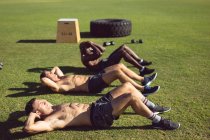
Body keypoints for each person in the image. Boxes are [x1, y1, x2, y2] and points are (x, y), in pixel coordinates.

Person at [24, 82, 180, 134]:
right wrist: (31, 115)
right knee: (131, 98)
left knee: (127, 86)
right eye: (41, 104)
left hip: (96, 106)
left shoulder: (54, 107)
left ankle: (152, 106)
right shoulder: (51, 120)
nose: (45, 101)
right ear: (38, 112)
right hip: (97, 117)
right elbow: (29, 128)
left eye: (43, 100)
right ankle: (157, 120)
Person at [40, 64, 159, 96]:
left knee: (119, 66)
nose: (52, 73)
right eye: (49, 74)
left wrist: (51, 73)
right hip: (92, 85)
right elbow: (45, 80)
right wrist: (44, 77)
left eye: (50, 72)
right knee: (117, 73)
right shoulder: (57, 86)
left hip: (94, 78)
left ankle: (143, 79)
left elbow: (56, 67)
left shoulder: (60, 76)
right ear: (47, 79)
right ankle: (143, 89)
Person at [80, 41, 154, 76]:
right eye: (87, 48)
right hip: (103, 67)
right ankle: (142, 69)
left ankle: (139, 61)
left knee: (124, 47)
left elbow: (103, 49)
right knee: (122, 52)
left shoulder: (88, 52)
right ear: (83, 49)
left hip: (105, 62)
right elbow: (99, 53)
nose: (89, 49)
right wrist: (91, 44)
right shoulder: (84, 58)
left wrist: (92, 43)